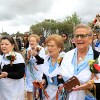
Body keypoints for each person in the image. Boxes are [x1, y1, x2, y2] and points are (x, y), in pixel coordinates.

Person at [59, 24, 100, 100]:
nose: (79, 38)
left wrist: (90, 86)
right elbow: (60, 76)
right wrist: (61, 86)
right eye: (76, 36)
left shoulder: (97, 57)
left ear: (90, 39)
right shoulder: (67, 55)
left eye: (83, 36)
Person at [0, 36, 25, 100]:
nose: (3, 46)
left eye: (6, 44)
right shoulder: (1, 57)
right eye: (2, 44)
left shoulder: (17, 56)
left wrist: (7, 74)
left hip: (14, 89)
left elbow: (21, 74)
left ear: (13, 45)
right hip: (3, 89)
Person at [41, 34, 65, 100]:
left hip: (60, 94)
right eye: (48, 46)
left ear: (59, 48)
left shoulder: (65, 60)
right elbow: (45, 75)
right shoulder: (46, 59)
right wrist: (44, 80)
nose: (49, 48)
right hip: (47, 93)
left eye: (52, 46)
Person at [25, 34, 45, 100]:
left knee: (37, 89)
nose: (31, 42)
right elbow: (26, 61)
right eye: (30, 41)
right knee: (29, 89)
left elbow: (42, 61)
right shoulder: (28, 49)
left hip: (37, 71)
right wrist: (27, 57)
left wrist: (36, 55)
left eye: (33, 41)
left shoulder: (41, 49)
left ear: (37, 41)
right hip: (29, 71)